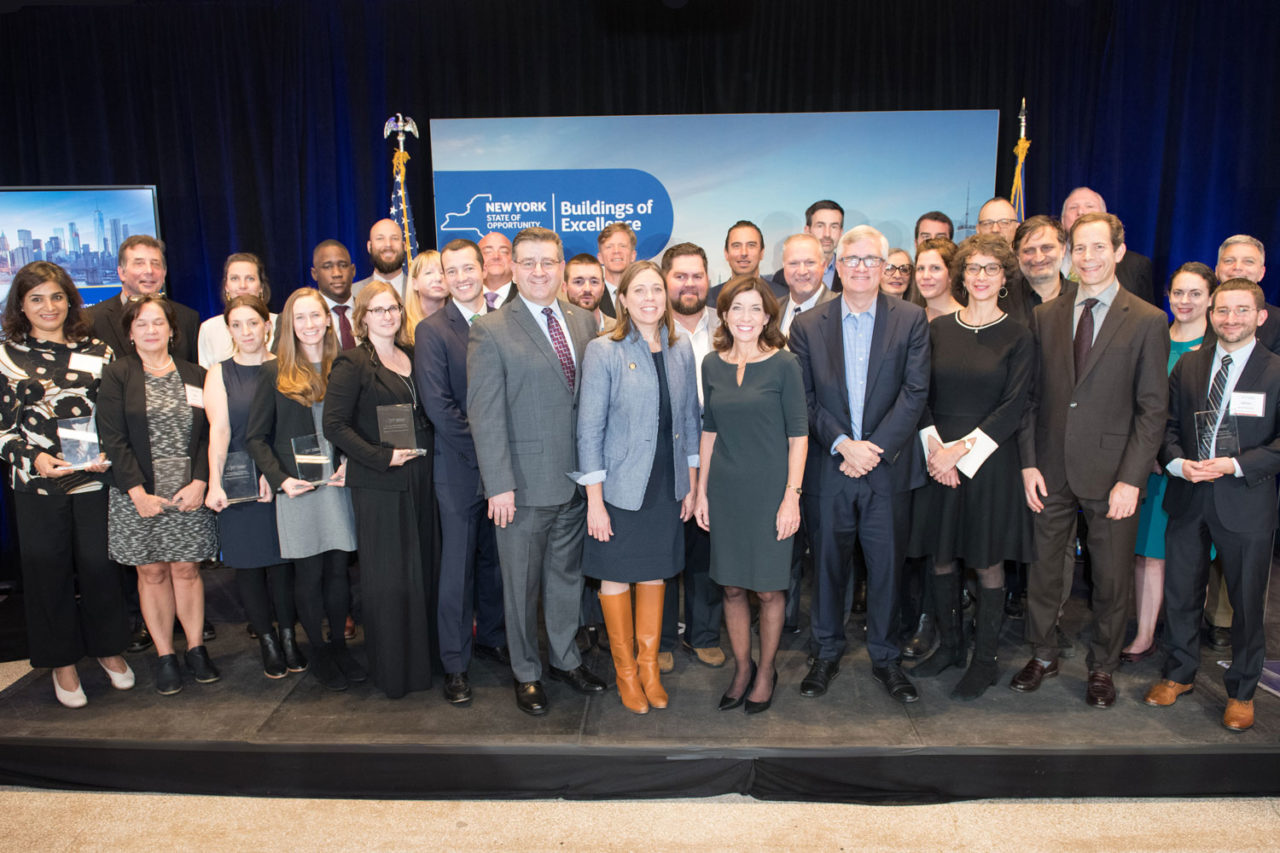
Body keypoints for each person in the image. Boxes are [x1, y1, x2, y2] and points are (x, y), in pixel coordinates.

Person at [1013, 212, 1169, 708]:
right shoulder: (1047, 315)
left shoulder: (1147, 320)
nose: (1088, 257)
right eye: (1079, 248)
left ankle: (1103, 665)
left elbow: (1152, 410)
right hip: (1050, 468)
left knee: (1111, 576)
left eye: (1098, 248)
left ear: (1119, 252)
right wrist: (1029, 463)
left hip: (1113, 476)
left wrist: (1131, 479)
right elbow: (1032, 398)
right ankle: (1043, 653)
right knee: (1044, 571)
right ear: (1069, 255)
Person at [467, 226, 607, 715]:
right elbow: (484, 414)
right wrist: (499, 485)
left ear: (563, 266)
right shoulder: (490, 329)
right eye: (528, 262)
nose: (539, 271)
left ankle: (565, 659)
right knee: (521, 587)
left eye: (548, 262)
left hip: (576, 483)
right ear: (509, 267)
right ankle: (526, 672)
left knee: (566, 580)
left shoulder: (585, 321)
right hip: (522, 488)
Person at [789, 224, 930, 704]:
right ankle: (825, 651)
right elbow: (803, 399)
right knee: (827, 565)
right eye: (853, 260)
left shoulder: (911, 319)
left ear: (886, 267)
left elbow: (915, 393)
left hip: (887, 469)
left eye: (873, 261)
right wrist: (844, 444)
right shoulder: (808, 325)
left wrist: (873, 448)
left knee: (887, 568)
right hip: (832, 467)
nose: (862, 269)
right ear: (837, 266)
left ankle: (886, 659)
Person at [1144, 278, 1280, 733]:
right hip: (1188, 493)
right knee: (1182, 592)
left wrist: (1236, 465)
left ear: (1261, 317)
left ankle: (1241, 691)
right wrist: (1178, 463)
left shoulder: (1276, 370)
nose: (1230, 319)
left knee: (1245, 601)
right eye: (1222, 310)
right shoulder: (1189, 366)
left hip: (1245, 500)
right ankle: (1179, 673)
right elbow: (1166, 425)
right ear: (1211, 314)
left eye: (1242, 311)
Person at [906, 234, 1035, 699]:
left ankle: (985, 660)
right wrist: (936, 453)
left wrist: (959, 452)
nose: (981, 277)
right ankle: (950, 648)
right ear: (961, 275)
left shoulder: (1019, 335)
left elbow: (1014, 406)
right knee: (940, 560)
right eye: (973, 268)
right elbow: (918, 394)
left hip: (988, 463)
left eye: (991, 269)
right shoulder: (936, 330)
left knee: (986, 562)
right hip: (937, 458)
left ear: (1004, 278)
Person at [0, 261, 131, 707]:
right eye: (36, 298)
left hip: (94, 481)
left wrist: (109, 454)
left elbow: (116, 417)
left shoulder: (99, 351)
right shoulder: (5, 355)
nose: (48, 306)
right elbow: (2, 432)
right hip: (37, 485)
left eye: (56, 296)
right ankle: (62, 662)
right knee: (47, 574)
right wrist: (34, 456)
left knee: (100, 569)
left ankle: (109, 649)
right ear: (21, 304)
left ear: (69, 300)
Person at [576, 260, 701, 714]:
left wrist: (690, 482)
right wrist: (594, 501)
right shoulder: (604, 349)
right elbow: (589, 430)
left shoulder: (680, 345)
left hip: (666, 483)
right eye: (639, 290)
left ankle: (650, 668)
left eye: (656, 289)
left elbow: (688, 417)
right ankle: (626, 672)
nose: (649, 298)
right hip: (619, 487)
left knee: (654, 571)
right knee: (615, 576)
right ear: (623, 299)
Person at [694, 276, 807, 714]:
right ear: (723, 314)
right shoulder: (711, 364)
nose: (745, 317)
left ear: (767, 318)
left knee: (770, 591)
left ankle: (766, 671)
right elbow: (710, 429)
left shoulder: (784, 364)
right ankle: (742, 667)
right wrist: (701, 491)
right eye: (737, 308)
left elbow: (799, 435)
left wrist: (791, 497)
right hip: (724, 490)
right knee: (733, 588)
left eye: (755, 309)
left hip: (771, 493)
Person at [96, 294, 219, 695]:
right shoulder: (118, 375)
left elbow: (208, 435)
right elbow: (112, 439)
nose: (151, 330)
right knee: (150, 571)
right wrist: (137, 493)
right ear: (130, 333)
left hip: (188, 492)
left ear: (171, 329)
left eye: (158, 323)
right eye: (142, 324)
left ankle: (196, 649)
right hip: (137, 495)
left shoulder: (195, 374)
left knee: (186, 569)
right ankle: (166, 654)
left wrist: (200, 481)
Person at [324, 281, 438, 699]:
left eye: (392, 308)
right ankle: (394, 671)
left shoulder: (411, 355)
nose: (387, 316)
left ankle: (425, 663)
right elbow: (334, 426)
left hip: (422, 475)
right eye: (378, 310)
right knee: (390, 579)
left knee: (423, 570)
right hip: (380, 482)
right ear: (363, 317)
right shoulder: (352, 363)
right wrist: (379, 456)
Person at [246, 288, 359, 691]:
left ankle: (341, 648)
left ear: (328, 320)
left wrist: (351, 464)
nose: (310, 325)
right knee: (308, 574)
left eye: (316, 316)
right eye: (301, 318)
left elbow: (358, 427)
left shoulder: (345, 366)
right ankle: (320, 652)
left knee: (338, 573)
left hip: (339, 485)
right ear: (288, 326)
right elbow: (256, 437)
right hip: (298, 490)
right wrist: (280, 480)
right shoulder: (272, 372)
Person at [415, 238, 509, 706]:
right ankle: (455, 662)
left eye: (468, 267)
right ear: (444, 278)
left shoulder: (504, 322)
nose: (462, 277)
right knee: (458, 569)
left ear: (484, 267)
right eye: (451, 271)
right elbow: (439, 407)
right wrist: (487, 452)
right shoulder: (433, 330)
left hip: (506, 472)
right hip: (460, 470)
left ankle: (493, 638)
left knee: (496, 564)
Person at [203, 294, 304, 679]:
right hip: (238, 482)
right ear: (228, 330)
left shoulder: (284, 368)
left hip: (279, 478)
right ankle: (267, 641)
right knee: (247, 566)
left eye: (253, 323)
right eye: (236, 324)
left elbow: (289, 429)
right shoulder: (218, 372)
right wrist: (215, 485)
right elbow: (220, 432)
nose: (246, 332)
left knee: (282, 566)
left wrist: (274, 472)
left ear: (268, 325)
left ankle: (290, 637)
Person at [1125, 263, 1213, 663]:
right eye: (1178, 293)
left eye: (1195, 293)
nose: (1185, 301)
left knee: (1187, 561)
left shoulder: (1216, 349)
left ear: (1211, 297)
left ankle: (1182, 640)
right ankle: (1144, 634)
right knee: (1147, 554)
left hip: (1194, 470)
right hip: (1149, 468)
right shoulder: (1154, 336)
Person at [662, 242, 725, 669]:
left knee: (708, 544)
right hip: (666, 453)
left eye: (697, 275)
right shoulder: (650, 326)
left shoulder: (730, 322)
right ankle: (663, 639)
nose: (689, 283)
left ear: (708, 277)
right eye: (680, 276)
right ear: (665, 280)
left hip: (722, 451)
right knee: (665, 546)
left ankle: (704, 633)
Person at [88, 235, 200, 364]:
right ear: (121, 273)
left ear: (164, 273)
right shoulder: (92, 319)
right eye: (139, 263)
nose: (149, 270)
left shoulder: (187, 318)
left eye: (155, 264)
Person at [1059, 187, 1156, 306]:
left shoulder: (1136, 266)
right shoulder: (1046, 261)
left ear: (1105, 216)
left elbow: (1145, 316)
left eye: (1089, 206)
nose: (1081, 212)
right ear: (1062, 220)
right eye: (1073, 207)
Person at [196, 253, 276, 368]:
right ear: (226, 287)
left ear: (261, 287)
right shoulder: (209, 329)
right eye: (235, 278)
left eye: (250, 278)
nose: (242, 285)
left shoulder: (280, 323)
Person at [1002, 215, 1071, 327]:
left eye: (1047, 248)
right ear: (1017, 255)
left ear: (1063, 250)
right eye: (1029, 250)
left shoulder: (1082, 297)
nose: (1039, 258)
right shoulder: (1001, 300)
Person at [311, 240, 359, 351]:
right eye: (327, 267)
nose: (337, 273)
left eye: (343, 265)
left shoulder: (370, 311)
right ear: (314, 274)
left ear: (353, 271)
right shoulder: (296, 318)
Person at [402, 249, 448, 345]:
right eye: (429, 273)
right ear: (414, 283)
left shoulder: (461, 322)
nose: (438, 278)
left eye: (442, 272)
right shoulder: (401, 326)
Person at [908, 238, 962, 321]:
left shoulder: (965, 322)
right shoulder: (913, 319)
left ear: (952, 273)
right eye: (921, 268)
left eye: (935, 268)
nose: (925, 276)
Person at [353, 218, 407, 299]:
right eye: (380, 238)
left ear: (404, 246)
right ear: (369, 246)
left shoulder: (420, 291)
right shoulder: (353, 293)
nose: (388, 244)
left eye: (394, 238)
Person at [562, 253, 614, 332]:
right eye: (578, 282)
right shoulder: (558, 332)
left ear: (603, 287)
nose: (587, 289)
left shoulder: (621, 331)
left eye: (594, 282)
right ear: (565, 287)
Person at [596, 222, 637, 318]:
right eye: (609, 247)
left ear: (633, 255)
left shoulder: (646, 294)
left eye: (622, 246)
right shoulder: (593, 295)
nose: (616, 251)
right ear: (600, 257)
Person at [802, 200, 844, 291]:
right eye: (820, 226)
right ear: (807, 231)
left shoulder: (852, 274)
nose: (827, 234)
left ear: (841, 233)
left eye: (834, 227)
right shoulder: (784, 277)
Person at [478, 231, 518, 310]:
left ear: (514, 260)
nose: (496, 256)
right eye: (487, 252)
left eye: (504, 252)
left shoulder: (528, 297)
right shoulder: (462, 296)